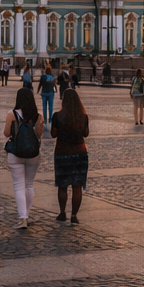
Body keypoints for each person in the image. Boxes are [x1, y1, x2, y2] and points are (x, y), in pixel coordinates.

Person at [4, 87, 44, 229]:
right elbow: (39, 135)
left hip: (16, 154)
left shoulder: (12, 114)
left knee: (18, 185)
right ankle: (26, 214)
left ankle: (23, 219)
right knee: (29, 184)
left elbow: (6, 133)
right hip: (33, 154)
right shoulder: (38, 116)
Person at [51, 88, 90, 224]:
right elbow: (85, 133)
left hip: (62, 153)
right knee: (77, 186)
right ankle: (74, 215)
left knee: (62, 185)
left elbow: (53, 134)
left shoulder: (57, 116)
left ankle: (62, 213)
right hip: (80, 153)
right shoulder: (83, 117)